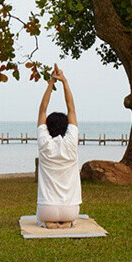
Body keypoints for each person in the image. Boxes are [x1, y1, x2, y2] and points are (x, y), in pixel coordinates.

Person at [36, 64, 81, 228]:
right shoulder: (71, 142)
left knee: (40, 217)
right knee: (71, 217)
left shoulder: (44, 143)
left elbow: (42, 111)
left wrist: (50, 83)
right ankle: (68, 222)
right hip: (71, 209)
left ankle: (48, 223)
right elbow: (72, 110)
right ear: (66, 127)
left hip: (46, 209)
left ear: (47, 127)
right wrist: (64, 82)